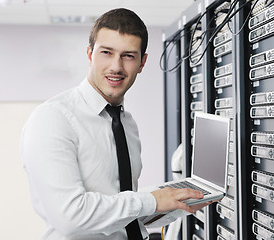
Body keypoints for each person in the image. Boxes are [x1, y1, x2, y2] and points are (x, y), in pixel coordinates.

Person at [21, 8, 211, 240]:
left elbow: (120, 214)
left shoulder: (126, 124)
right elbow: (70, 217)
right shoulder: (53, 119)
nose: (116, 67)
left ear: (142, 63)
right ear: (90, 54)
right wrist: (151, 200)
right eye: (106, 53)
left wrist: (174, 203)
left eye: (128, 56)